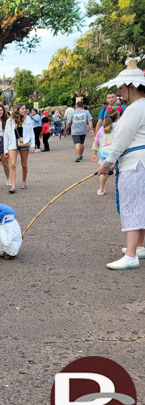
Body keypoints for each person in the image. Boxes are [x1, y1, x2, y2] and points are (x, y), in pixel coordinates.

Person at [95, 58, 145, 270]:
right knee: (141, 204)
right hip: (140, 161)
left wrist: (107, 163)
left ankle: (132, 254)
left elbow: (121, 140)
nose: (118, 90)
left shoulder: (134, 109)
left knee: (132, 205)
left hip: (135, 163)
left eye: (121, 86)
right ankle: (140, 246)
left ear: (131, 86)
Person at [4, 103, 35, 193]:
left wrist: (33, 145)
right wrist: (5, 149)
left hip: (24, 143)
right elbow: (6, 135)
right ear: (17, 110)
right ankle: (13, 186)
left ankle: (24, 182)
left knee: (24, 164)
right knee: (13, 164)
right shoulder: (9, 121)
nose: (25, 110)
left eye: (25, 108)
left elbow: (31, 132)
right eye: (23, 108)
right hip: (12, 144)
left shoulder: (28, 119)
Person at [91, 108, 120, 196]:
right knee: (119, 171)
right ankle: (120, 189)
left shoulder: (102, 128)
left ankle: (101, 189)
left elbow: (96, 141)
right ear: (117, 117)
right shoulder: (119, 125)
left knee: (103, 171)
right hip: (115, 152)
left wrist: (94, 154)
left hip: (103, 153)